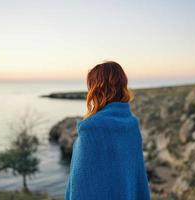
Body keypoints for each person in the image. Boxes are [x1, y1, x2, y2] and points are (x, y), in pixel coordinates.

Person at [65, 61, 151, 200]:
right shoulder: (132, 124)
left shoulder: (91, 128)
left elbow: (80, 185)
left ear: (96, 88)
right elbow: (136, 180)